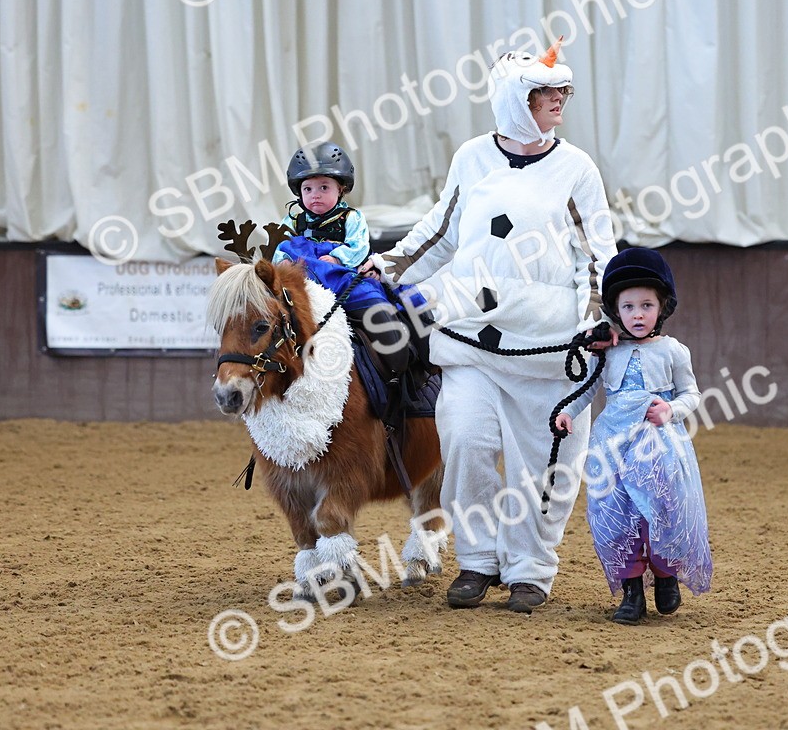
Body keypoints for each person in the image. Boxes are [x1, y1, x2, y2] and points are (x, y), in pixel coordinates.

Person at [362, 38, 618, 613]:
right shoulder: (473, 157)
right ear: (511, 99)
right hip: (471, 339)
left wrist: (596, 316)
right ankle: (477, 562)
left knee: (542, 467)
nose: (559, 100)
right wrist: (391, 264)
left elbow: (596, 252)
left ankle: (530, 569)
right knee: (466, 441)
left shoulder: (577, 169)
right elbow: (441, 229)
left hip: (549, 351)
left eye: (562, 92)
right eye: (544, 92)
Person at [554, 247, 712, 625]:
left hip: (658, 445)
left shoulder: (673, 351)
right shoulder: (606, 351)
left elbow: (693, 393)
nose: (637, 315)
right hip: (612, 445)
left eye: (646, 305)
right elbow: (590, 390)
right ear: (615, 310)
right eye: (628, 307)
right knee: (616, 512)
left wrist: (671, 410)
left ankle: (665, 575)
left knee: (657, 508)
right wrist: (567, 411)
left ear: (662, 308)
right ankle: (631, 591)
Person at [273, 143, 410, 377]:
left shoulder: (351, 218)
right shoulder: (292, 221)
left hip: (342, 279)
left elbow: (359, 246)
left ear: (341, 189)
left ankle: (397, 368)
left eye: (324, 187)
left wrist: (337, 258)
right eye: (308, 189)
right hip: (302, 280)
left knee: (376, 306)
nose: (315, 194)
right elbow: (279, 246)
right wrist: (283, 262)